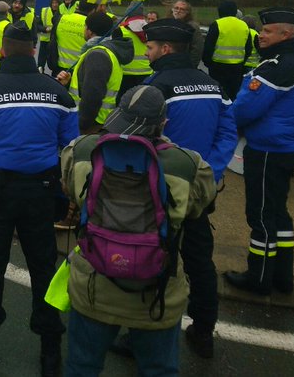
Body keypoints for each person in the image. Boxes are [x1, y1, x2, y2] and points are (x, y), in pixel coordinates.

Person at [0, 21, 79, 377]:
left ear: (2, 51)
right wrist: (67, 197)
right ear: (35, 51)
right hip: (42, 194)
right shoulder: (58, 94)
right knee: (43, 270)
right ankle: (50, 354)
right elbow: (71, 152)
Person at [60, 85, 216, 377]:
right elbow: (197, 208)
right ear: (164, 123)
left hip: (94, 286)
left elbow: (71, 191)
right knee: (159, 370)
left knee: (82, 366)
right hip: (157, 294)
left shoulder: (81, 150)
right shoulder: (189, 165)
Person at [142, 19, 236, 358]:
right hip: (199, 189)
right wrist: (209, 172)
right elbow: (228, 133)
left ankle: (145, 333)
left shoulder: (155, 87)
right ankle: (204, 331)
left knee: (153, 260)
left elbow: (140, 139)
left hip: (160, 189)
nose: (147, 53)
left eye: (150, 47)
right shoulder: (214, 86)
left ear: (165, 49)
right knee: (200, 262)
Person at [223, 7, 294, 296]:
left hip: (266, 150)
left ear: (285, 34)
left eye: (267, 31)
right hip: (287, 147)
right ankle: (282, 276)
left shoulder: (275, 67)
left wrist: (223, 125)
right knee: (278, 213)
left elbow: (245, 109)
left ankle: (259, 277)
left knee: (261, 214)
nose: (260, 35)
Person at [57, 11, 131, 136]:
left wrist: (82, 124)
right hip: (99, 121)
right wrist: (69, 83)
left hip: (93, 125)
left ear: (89, 31)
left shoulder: (98, 55)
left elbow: (93, 95)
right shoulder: (104, 51)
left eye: (85, 26)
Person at [202, 0, 252, 100]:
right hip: (237, 67)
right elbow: (248, 47)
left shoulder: (217, 24)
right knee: (233, 94)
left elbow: (208, 46)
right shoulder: (244, 25)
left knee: (218, 94)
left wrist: (208, 62)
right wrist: (242, 62)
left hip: (217, 67)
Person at [54, 1, 92, 73]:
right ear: (93, 10)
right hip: (80, 69)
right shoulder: (91, 23)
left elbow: (53, 41)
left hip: (59, 67)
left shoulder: (62, 18)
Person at [169, 0, 204, 67]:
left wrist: (191, 66)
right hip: (169, 64)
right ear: (172, 9)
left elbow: (197, 49)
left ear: (187, 12)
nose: (178, 11)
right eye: (176, 8)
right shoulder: (168, 24)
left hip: (184, 65)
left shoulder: (193, 27)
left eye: (182, 9)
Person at [38, 0, 62, 75]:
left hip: (56, 42)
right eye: (53, 3)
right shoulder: (44, 11)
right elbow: (38, 25)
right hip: (45, 41)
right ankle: (40, 73)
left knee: (54, 62)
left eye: (56, 3)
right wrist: (45, 29)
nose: (54, 5)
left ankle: (55, 75)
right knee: (41, 62)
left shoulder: (63, 13)